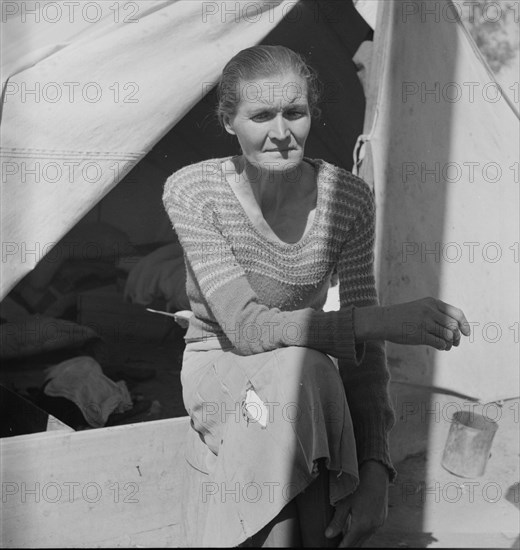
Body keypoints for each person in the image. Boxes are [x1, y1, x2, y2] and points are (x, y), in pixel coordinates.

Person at [162, 45, 470, 548]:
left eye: (294, 112)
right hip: (219, 363)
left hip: (304, 378)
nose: (281, 133)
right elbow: (246, 328)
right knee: (302, 370)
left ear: (311, 113)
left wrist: (375, 468)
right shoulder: (194, 192)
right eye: (261, 115)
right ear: (228, 122)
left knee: (307, 369)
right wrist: (380, 321)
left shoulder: (347, 199)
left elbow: (364, 358)